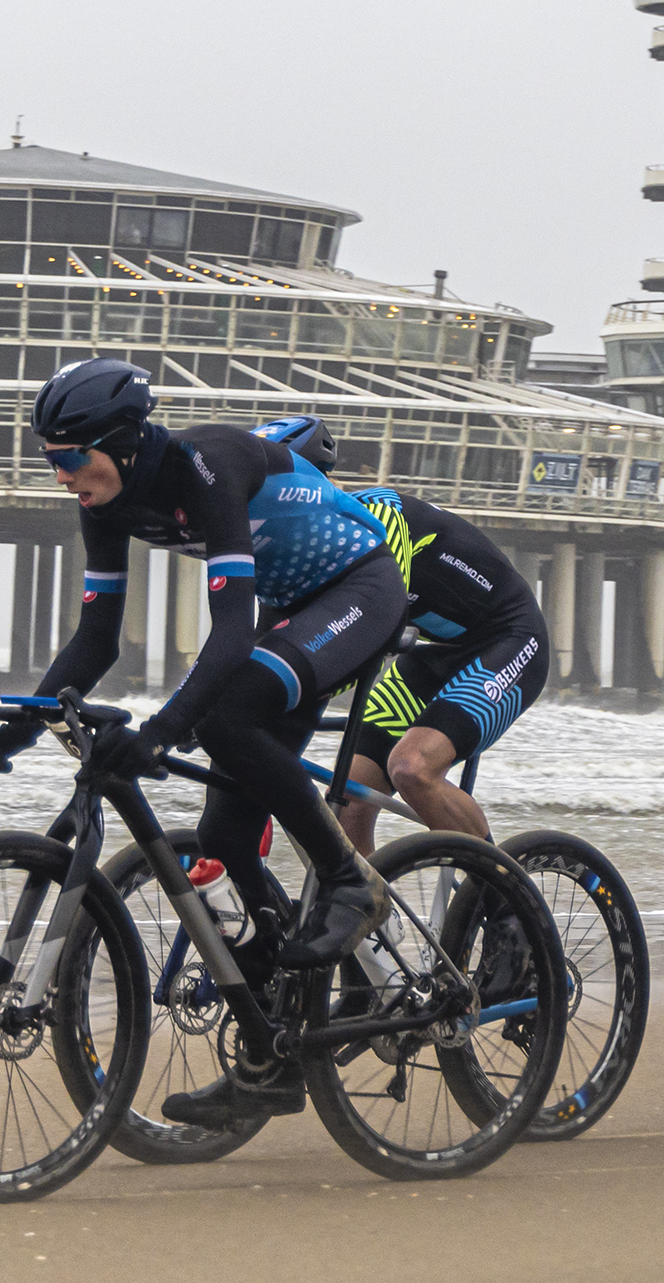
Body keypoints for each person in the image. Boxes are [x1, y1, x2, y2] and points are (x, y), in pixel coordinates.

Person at [23, 359, 410, 1127]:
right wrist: (13, 724)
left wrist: (162, 730)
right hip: (293, 612)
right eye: (49, 459)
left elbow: (231, 633)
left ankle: (350, 881)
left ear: (126, 443)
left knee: (224, 718)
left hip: (360, 591)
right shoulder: (105, 498)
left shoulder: (209, 466)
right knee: (227, 839)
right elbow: (96, 640)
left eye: (71, 457)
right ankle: (270, 1052)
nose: (62, 475)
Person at [332, 467, 548, 853]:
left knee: (411, 768)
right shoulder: (303, 553)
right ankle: (366, 910)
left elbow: (377, 626)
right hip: (435, 655)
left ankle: (502, 902)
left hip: (511, 640)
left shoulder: (378, 516)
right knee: (348, 794)